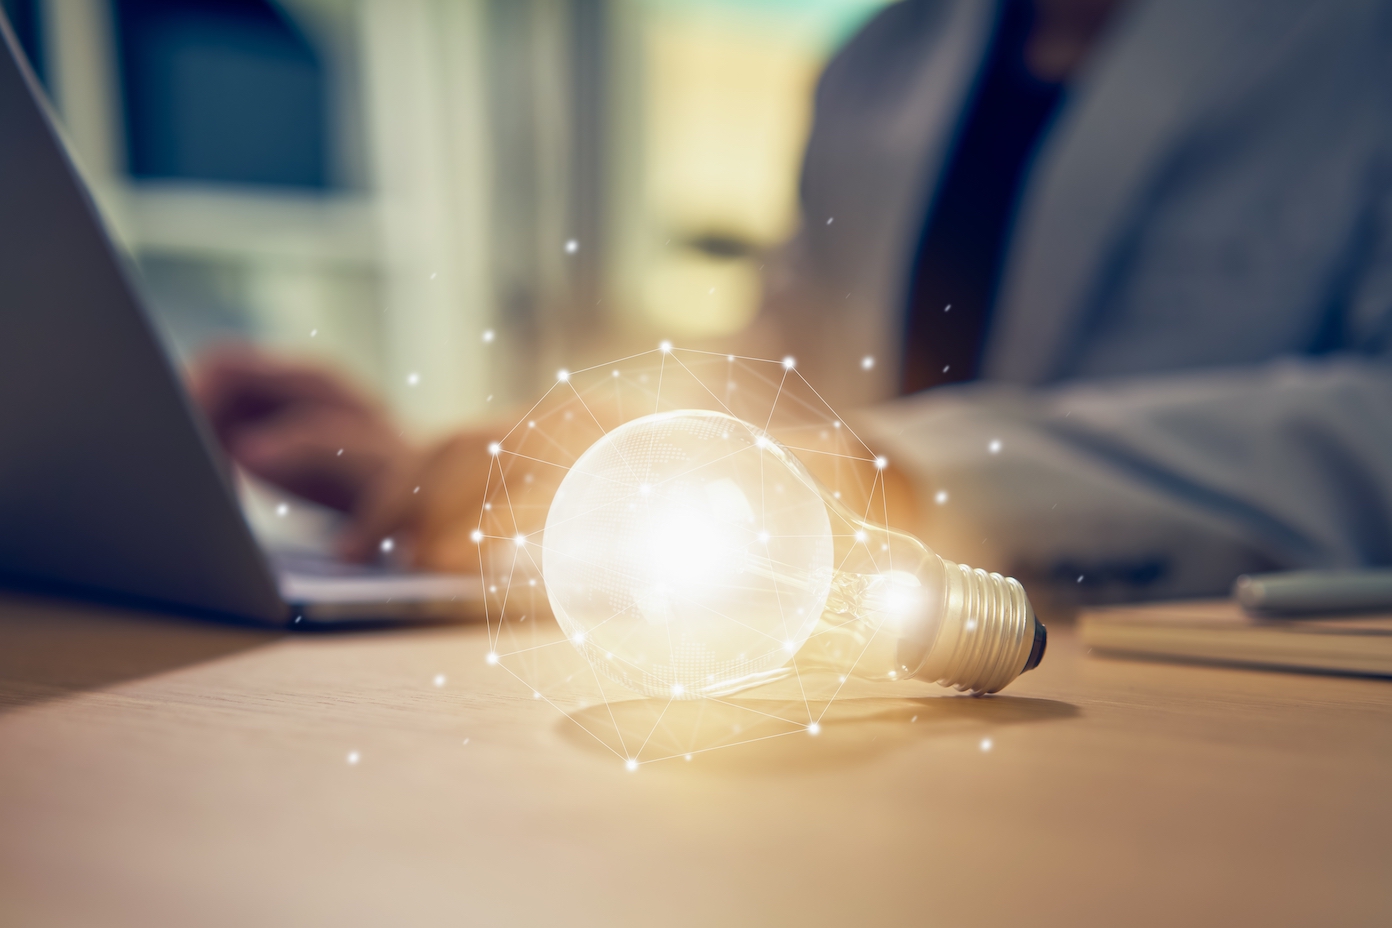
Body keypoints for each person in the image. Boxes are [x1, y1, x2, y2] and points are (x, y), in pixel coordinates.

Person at [194, 0, 1392, 608]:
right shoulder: (883, 62)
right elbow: (781, 375)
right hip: (856, 671)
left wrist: (889, 481)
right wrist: (486, 473)